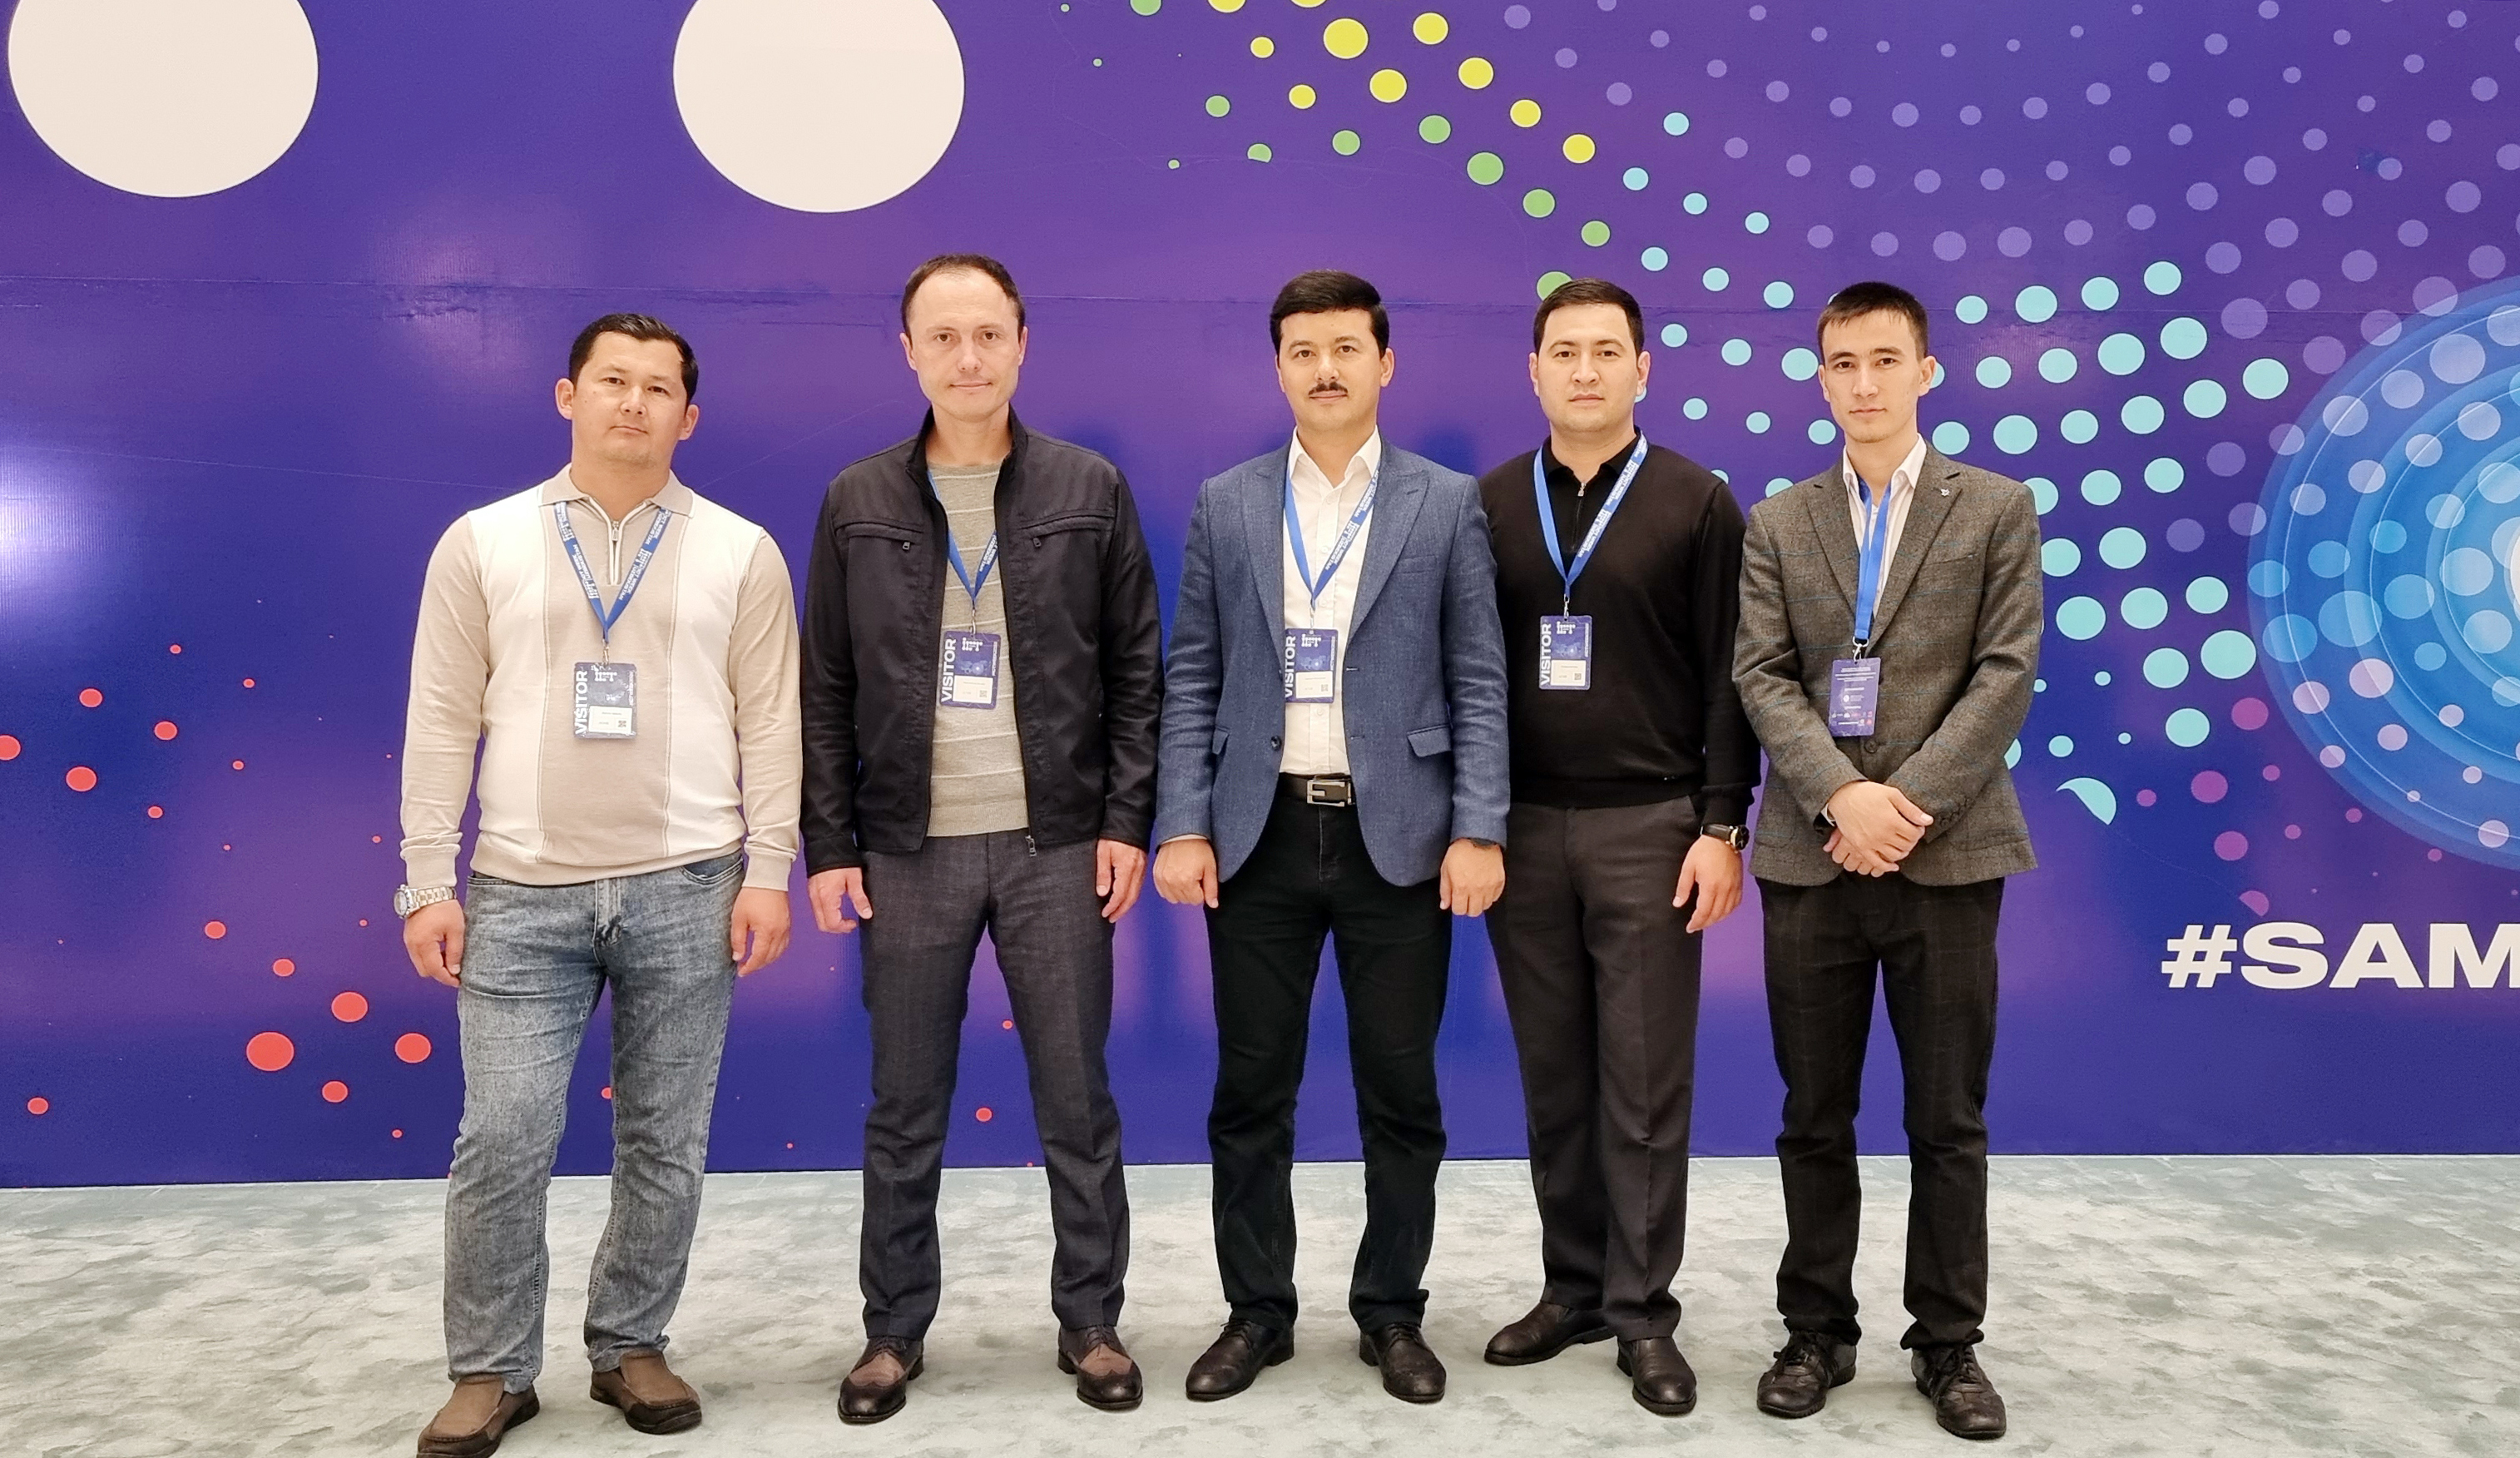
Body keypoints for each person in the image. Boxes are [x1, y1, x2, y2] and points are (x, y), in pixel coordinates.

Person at [398, 313, 800, 1456]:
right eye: (612, 381)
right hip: (521, 893)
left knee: (666, 1140)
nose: (634, 402)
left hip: (689, 883)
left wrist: (770, 867)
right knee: (503, 1138)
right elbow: (441, 716)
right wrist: (425, 878)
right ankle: (490, 1371)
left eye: (658, 388)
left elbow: (773, 721)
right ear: (567, 396)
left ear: (689, 416)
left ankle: (631, 1344)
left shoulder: (742, 552)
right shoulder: (482, 541)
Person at [800, 254, 1166, 1422]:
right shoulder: (858, 499)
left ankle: (1091, 1322)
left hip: (1056, 844)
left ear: (1021, 344)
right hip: (906, 851)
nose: (968, 358)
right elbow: (822, 686)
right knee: (904, 1106)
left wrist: (1124, 821)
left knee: (1077, 1099)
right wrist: (830, 844)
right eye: (944, 337)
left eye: (988, 335)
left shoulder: (1087, 487)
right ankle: (892, 1331)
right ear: (908, 350)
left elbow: (1138, 673)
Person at [1153, 269, 1510, 1406]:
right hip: (1256, 836)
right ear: (1278, 368)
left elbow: (1478, 677)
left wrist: (1479, 827)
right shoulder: (1228, 503)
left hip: (1396, 839)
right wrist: (1181, 821)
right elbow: (1193, 673)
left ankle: (1391, 1312)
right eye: (1302, 350)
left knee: (1400, 1094)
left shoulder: (1443, 502)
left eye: (1346, 348)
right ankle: (1256, 1313)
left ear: (1384, 363)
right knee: (1250, 1092)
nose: (1325, 368)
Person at [1732, 280, 2041, 1441]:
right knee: (1812, 1113)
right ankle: (1815, 1330)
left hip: (1946, 853)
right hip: (1811, 857)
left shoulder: (1995, 506)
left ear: (1926, 371)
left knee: (1945, 1119)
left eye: (1882, 361)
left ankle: (1947, 1343)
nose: (1862, 384)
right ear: (1821, 379)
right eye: (1841, 364)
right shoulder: (1778, 520)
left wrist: (1902, 804)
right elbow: (1761, 674)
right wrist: (1842, 797)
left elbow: (2004, 672)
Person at [1473, 277, 1755, 1417]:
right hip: (1522, 832)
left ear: (1642, 368)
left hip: (1653, 826)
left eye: (1605, 351)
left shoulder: (1697, 501)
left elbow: (1733, 675)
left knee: (1641, 1085)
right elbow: (1469, 675)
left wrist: (1721, 823)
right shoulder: (1490, 503)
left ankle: (1643, 1314)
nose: (1584, 371)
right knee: (1555, 1081)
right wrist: (1473, 821)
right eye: (1563, 351)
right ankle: (1573, 1289)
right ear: (1533, 370)